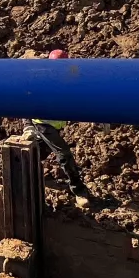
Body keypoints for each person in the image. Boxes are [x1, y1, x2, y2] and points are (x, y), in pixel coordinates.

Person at [28, 48, 93, 206]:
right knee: (64, 154)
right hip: (43, 124)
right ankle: (78, 190)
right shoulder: (43, 80)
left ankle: (23, 175)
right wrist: (27, 125)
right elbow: (27, 99)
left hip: (55, 125)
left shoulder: (67, 77)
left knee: (40, 152)